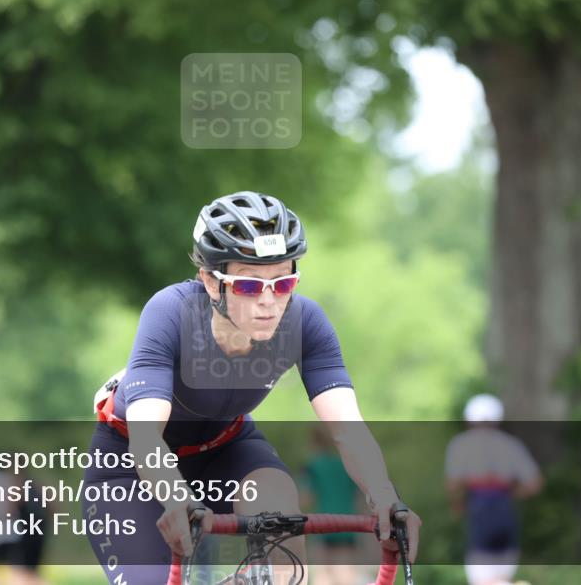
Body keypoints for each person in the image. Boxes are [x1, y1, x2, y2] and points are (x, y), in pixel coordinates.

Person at [82, 191, 421, 585]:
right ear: (211, 281)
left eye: (283, 283)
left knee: (278, 508)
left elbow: (348, 429)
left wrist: (385, 497)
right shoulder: (170, 313)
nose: (268, 302)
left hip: (228, 448)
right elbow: (145, 439)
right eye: (248, 286)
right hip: (130, 465)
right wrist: (176, 498)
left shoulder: (306, 322)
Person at [445, 394, 542, 585]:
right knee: (503, 574)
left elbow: (453, 484)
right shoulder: (511, 444)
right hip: (506, 511)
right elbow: (535, 483)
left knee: (482, 579)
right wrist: (511, 493)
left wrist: (458, 504)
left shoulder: (461, 444)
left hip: (479, 512)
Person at [302, 427, 361, 585]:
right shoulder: (349, 466)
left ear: (314, 442)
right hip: (349, 525)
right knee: (346, 577)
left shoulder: (313, 467)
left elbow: (307, 499)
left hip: (321, 525)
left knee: (322, 577)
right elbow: (357, 497)